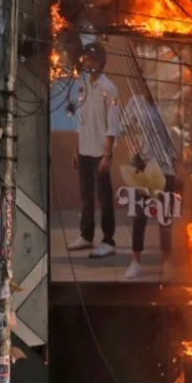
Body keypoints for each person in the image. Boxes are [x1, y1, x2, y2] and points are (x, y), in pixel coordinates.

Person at [66, 46, 121, 259]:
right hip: (84, 150)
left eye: (88, 60)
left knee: (104, 197)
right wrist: (76, 149)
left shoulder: (109, 88)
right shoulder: (83, 87)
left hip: (100, 152)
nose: (85, 63)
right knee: (85, 197)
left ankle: (108, 241)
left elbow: (113, 124)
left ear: (98, 62)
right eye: (84, 59)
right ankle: (86, 236)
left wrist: (108, 155)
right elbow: (82, 122)